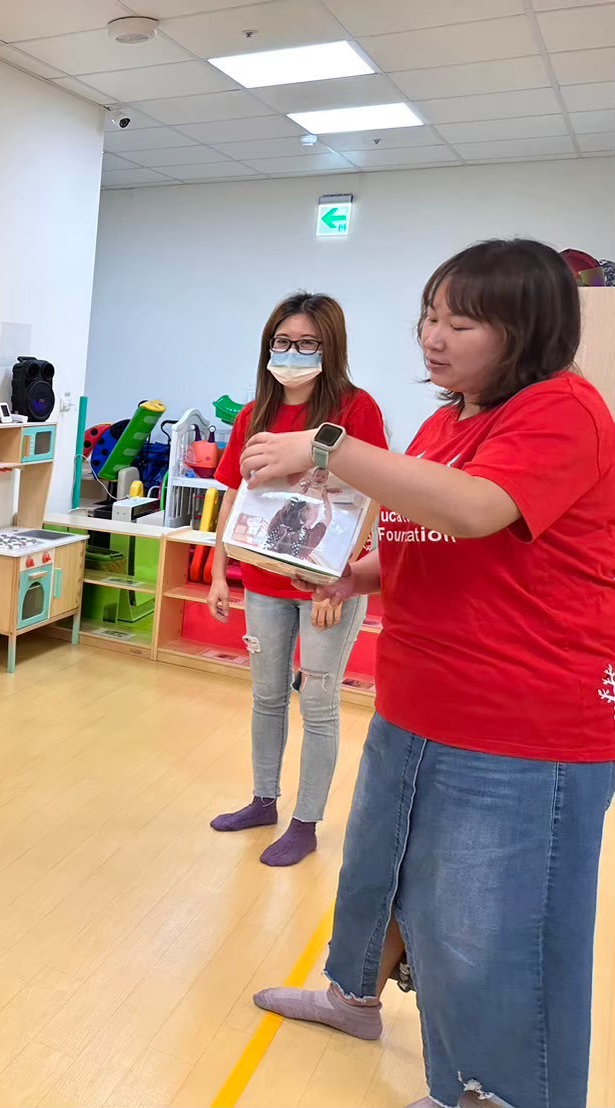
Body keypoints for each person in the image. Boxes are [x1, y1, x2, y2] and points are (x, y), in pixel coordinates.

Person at [245, 240, 615, 1108]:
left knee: (492, 932)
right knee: (379, 873)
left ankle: (489, 1093)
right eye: (428, 316)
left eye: (462, 322)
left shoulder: (563, 411)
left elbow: (478, 510)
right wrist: (355, 574)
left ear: (528, 329)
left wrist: (325, 447)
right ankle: (354, 997)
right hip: (418, 700)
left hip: (521, 723)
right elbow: (428, 534)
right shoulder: (449, 421)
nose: (432, 338)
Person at [207, 293, 387, 867]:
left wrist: (341, 576)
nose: (293, 353)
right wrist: (219, 571)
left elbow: (374, 495)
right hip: (263, 580)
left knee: (318, 702)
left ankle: (305, 823)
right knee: (266, 696)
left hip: (324, 585)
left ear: (330, 348)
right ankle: (264, 800)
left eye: (308, 343)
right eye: (283, 342)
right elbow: (234, 495)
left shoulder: (356, 409)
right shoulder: (253, 414)